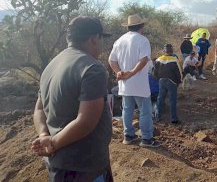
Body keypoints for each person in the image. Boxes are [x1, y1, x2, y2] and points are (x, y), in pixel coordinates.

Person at [31, 16, 113, 181]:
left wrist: (44, 136)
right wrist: (52, 143)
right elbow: (85, 122)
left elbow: (39, 109)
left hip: (58, 165)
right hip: (83, 166)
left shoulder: (51, 65)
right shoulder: (92, 68)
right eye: (101, 38)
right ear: (94, 38)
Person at [108, 13, 159, 148]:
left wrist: (119, 72)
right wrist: (132, 72)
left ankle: (128, 136)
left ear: (129, 27)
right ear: (141, 27)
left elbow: (111, 60)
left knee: (127, 109)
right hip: (139, 84)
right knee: (145, 111)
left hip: (124, 83)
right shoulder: (142, 40)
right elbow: (144, 60)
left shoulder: (119, 41)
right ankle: (147, 139)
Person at [153, 44, 182, 124]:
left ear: (164, 51)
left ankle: (158, 117)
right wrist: (178, 82)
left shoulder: (158, 59)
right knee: (172, 100)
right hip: (172, 82)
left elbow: (154, 73)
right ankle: (173, 119)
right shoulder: (174, 59)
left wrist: (159, 79)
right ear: (171, 51)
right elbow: (179, 73)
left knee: (160, 99)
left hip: (161, 81)